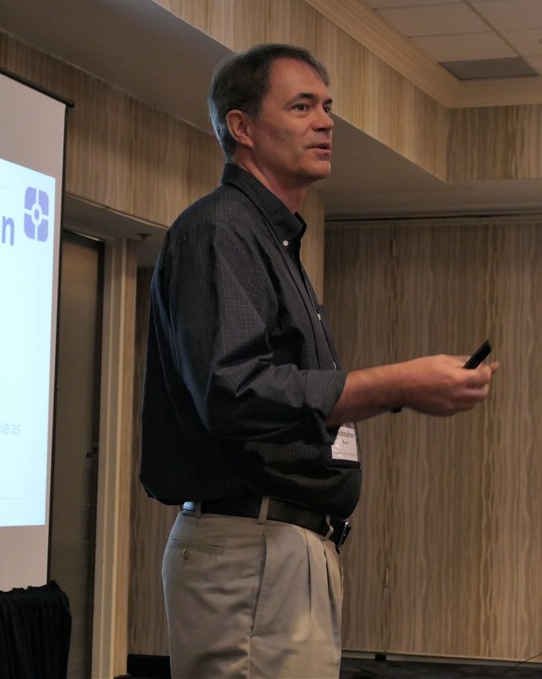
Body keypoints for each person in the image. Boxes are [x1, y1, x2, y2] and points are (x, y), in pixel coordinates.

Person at [140, 43, 499, 679]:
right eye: (302, 106)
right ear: (242, 127)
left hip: (283, 551)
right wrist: (397, 383)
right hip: (251, 550)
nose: (327, 122)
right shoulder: (222, 230)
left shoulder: (274, 239)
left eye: (328, 107)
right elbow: (235, 392)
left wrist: (400, 390)